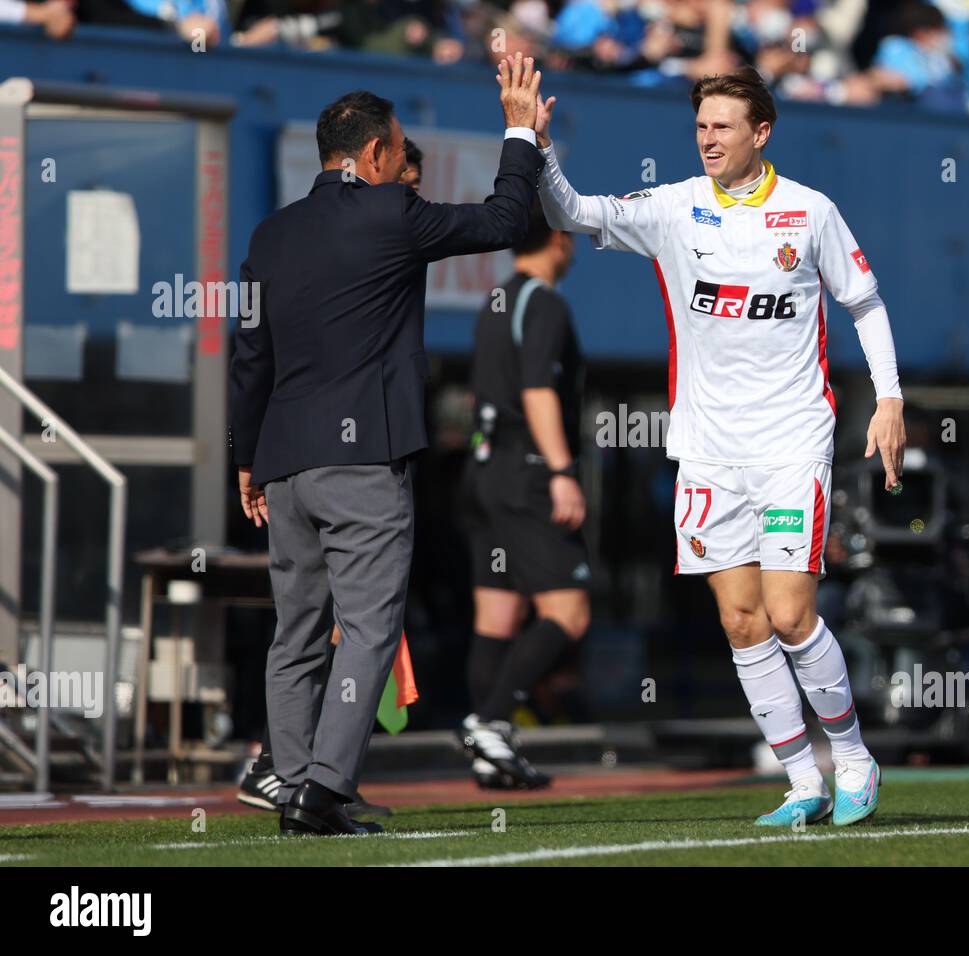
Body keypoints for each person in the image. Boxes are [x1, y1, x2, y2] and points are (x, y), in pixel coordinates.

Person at [534, 65, 906, 827]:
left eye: (723, 126)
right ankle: (802, 781)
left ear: (760, 133)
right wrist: (535, 145)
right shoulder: (674, 208)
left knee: (790, 611)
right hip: (706, 449)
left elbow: (864, 302)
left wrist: (890, 397)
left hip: (791, 442)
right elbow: (569, 210)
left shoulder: (809, 212)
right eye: (701, 126)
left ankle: (855, 757)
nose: (708, 138)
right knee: (741, 620)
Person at [229, 54, 545, 836]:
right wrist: (518, 128)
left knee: (295, 634)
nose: (409, 167)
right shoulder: (393, 212)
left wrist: (246, 457)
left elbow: (249, 358)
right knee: (369, 629)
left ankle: (295, 781)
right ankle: (326, 790)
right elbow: (506, 220)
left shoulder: (270, 234)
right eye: (402, 153)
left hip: (285, 465)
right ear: (372, 157)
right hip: (362, 460)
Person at [460, 202, 588, 790]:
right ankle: (488, 723)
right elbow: (538, 391)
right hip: (526, 472)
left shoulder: (495, 301)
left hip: (484, 471)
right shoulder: (545, 303)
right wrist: (561, 469)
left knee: (498, 616)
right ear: (559, 239)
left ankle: (491, 750)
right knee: (568, 611)